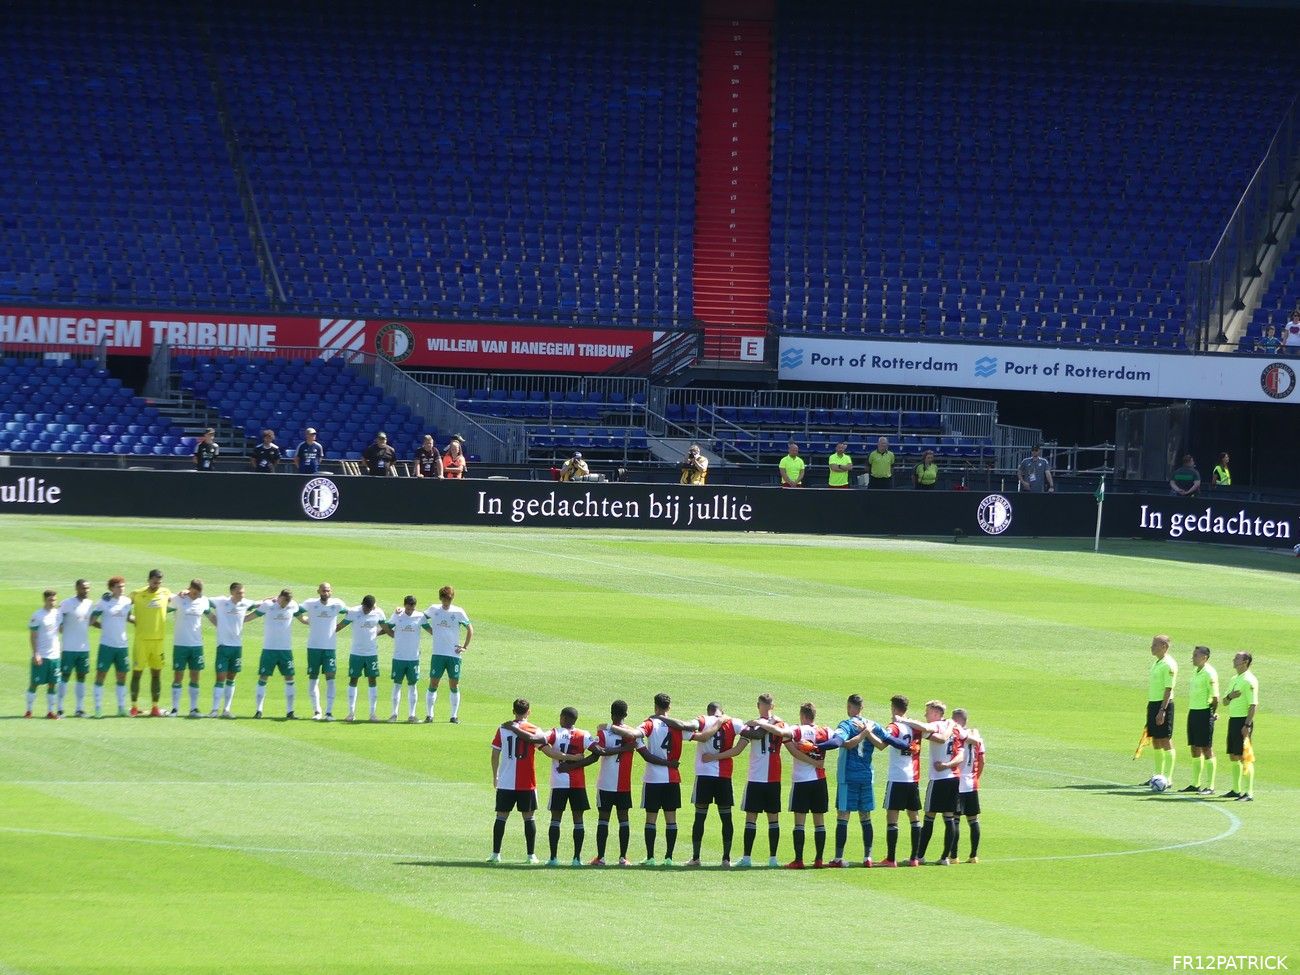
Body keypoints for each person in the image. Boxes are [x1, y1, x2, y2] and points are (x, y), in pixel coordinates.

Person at [816, 693, 906, 867]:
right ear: (862, 708)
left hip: (848, 776)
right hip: (866, 777)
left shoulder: (846, 724)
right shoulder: (872, 724)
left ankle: (838, 858)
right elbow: (888, 742)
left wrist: (817, 746)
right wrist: (907, 746)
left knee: (843, 816)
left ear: (850, 707)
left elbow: (840, 742)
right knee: (866, 817)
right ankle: (868, 858)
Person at [620, 692, 701, 867]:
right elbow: (699, 736)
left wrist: (616, 729)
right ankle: (669, 858)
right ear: (669, 707)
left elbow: (635, 734)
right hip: (672, 779)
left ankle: (650, 857)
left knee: (651, 818)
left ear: (655, 706)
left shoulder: (650, 723)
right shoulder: (677, 726)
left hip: (653, 779)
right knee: (671, 819)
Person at [512, 707, 599, 867]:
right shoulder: (584, 734)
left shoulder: (555, 733)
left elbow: (535, 739)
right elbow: (596, 754)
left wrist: (514, 728)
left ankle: (553, 858)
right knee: (578, 820)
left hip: (559, 783)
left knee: (555, 819)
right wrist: (575, 765)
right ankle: (576, 859)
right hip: (578, 784)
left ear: (563, 718)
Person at [897, 700, 964, 865]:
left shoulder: (937, 725)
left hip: (939, 778)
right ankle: (945, 858)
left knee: (929, 816)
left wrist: (904, 720)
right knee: (949, 817)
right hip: (954, 777)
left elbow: (926, 729)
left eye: (927, 711)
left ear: (935, 712)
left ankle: (919, 856)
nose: (925, 714)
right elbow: (962, 753)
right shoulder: (954, 727)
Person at [687, 702, 745, 866]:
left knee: (700, 816)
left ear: (708, 711)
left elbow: (689, 726)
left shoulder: (703, 720)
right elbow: (749, 733)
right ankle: (726, 859)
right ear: (722, 711)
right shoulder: (733, 722)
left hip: (704, 775)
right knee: (726, 817)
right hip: (724, 776)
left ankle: (696, 858)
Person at [588, 700, 643, 866]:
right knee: (623, 819)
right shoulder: (631, 733)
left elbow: (600, 751)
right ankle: (623, 858)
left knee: (603, 819)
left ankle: (600, 858)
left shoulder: (603, 732)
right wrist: (624, 749)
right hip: (623, 785)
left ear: (611, 714)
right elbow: (639, 744)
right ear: (626, 714)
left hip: (605, 783)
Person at [736, 692, 787, 867]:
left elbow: (741, 747)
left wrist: (755, 724)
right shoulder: (779, 722)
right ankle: (771, 859)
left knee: (752, 818)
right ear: (773, 706)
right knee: (772, 819)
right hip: (770, 777)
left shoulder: (755, 725)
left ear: (758, 706)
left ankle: (747, 858)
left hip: (758, 776)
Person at [489, 698, 542, 864]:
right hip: (527, 782)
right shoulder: (534, 729)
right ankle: (531, 855)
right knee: (529, 818)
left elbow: (495, 754)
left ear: (513, 711)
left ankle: (495, 854)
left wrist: (495, 776)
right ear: (529, 711)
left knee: (501, 817)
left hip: (505, 781)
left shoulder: (503, 728)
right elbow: (544, 746)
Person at [782, 703, 832, 868]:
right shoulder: (825, 731)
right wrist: (818, 753)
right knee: (819, 822)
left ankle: (799, 860)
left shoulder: (797, 730)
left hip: (801, 781)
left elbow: (790, 745)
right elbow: (838, 741)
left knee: (799, 823)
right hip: (820, 781)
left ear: (802, 715)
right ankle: (819, 860)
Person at [880, 694, 922, 868]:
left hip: (897, 777)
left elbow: (884, 742)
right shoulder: (915, 727)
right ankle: (914, 858)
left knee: (892, 817)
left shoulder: (894, 726)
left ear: (893, 708)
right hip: (912, 777)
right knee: (914, 817)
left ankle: (891, 859)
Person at [296, 582, 347, 721]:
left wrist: (373, 606)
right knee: (313, 678)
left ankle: (329, 712)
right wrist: (305, 620)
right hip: (313, 647)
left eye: (328, 590)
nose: (326, 593)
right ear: (318, 591)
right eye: (324, 590)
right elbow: (296, 611)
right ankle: (317, 710)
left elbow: (351, 613)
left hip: (329, 648)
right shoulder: (310, 603)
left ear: (331, 591)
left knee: (330, 678)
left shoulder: (337, 604)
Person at [423, 585, 472, 723]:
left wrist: (465, 647)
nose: (447, 602)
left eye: (449, 600)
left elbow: (470, 628)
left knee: (454, 685)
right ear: (440, 598)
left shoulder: (458, 611)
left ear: (452, 598)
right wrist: (432, 631)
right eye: (444, 600)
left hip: (453, 655)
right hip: (438, 653)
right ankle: (429, 715)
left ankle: (454, 716)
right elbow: (421, 619)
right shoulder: (434, 609)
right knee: (433, 683)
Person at [207, 582, 255, 718]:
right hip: (223, 646)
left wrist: (271, 599)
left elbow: (259, 604)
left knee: (231, 678)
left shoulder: (245, 603)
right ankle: (214, 710)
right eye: (239, 593)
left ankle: (226, 709)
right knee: (220, 678)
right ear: (232, 592)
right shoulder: (221, 601)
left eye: (243, 592)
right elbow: (203, 601)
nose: (242, 595)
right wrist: (211, 617)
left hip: (237, 647)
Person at [128, 569, 172, 716]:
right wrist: (132, 619)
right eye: (154, 582)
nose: (156, 585)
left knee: (156, 674)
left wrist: (185, 591)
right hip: (141, 641)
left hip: (158, 641)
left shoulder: (165, 593)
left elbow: (177, 599)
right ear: (148, 580)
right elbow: (122, 605)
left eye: (159, 583)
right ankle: (134, 707)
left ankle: (155, 707)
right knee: (137, 673)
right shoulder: (137, 594)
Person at [336, 594, 384, 723]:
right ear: (362, 604)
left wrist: (376, 633)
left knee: (372, 681)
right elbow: (340, 626)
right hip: (356, 653)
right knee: (353, 680)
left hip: (371, 653)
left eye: (369, 608)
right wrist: (327, 631)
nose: (367, 610)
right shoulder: (354, 612)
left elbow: (387, 628)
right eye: (365, 608)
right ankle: (351, 713)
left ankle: (373, 714)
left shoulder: (378, 612)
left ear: (373, 607)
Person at [252, 589, 300, 720]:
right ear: (279, 598)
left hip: (286, 650)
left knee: (289, 678)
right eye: (284, 601)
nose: (285, 604)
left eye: (288, 602)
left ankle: (290, 711)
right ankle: (258, 710)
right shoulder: (268, 605)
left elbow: (302, 618)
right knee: (263, 677)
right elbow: (252, 616)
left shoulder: (293, 605)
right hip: (269, 649)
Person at [90, 577, 133, 718]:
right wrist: (103, 627)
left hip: (122, 645)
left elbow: (129, 618)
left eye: (123, 586)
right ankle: (98, 709)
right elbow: (92, 620)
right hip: (107, 645)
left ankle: (121, 708)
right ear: (112, 588)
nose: (122, 589)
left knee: (122, 676)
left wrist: (141, 622)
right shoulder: (103, 602)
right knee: (101, 675)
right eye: (119, 586)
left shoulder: (127, 601)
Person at [167, 579, 210, 718]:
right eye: (195, 592)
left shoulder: (204, 601)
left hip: (197, 645)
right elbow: (164, 604)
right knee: (178, 676)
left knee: (195, 677)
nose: (197, 595)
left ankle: (193, 709)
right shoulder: (178, 599)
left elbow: (212, 615)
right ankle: (175, 709)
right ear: (190, 588)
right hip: (180, 644)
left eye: (199, 593)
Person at [1222, 652, 1259, 801]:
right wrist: (1230, 696)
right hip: (1233, 720)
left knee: (1245, 756)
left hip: (1243, 721)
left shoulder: (1249, 680)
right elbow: (1224, 702)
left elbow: (1253, 705)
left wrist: (1247, 724)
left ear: (1245, 661)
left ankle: (1249, 792)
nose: (1234, 659)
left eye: (1237, 658)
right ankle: (1236, 790)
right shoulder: (1234, 679)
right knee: (1234, 755)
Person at [1183, 646, 1220, 795]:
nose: (1192, 658)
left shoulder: (1209, 673)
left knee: (1206, 748)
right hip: (1193, 711)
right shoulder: (1196, 671)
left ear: (1204, 657)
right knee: (1194, 747)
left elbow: (1215, 698)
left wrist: (1212, 713)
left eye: (1195, 655)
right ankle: (1195, 784)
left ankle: (1210, 786)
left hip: (1204, 713)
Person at [950, 708, 985, 863]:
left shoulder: (956, 736)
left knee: (955, 819)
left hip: (957, 782)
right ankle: (973, 855)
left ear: (956, 720)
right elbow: (982, 760)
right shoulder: (977, 737)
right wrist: (976, 777)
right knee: (973, 820)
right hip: (972, 783)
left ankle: (954, 856)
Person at [384, 596, 426, 723]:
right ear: (404, 605)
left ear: (415, 606)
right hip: (399, 657)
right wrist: (394, 636)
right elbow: (387, 627)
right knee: (397, 685)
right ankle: (394, 714)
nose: (410, 610)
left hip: (413, 658)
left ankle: (412, 715)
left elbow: (430, 629)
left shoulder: (420, 616)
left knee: (412, 685)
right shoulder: (397, 615)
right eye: (408, 608)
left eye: (412, 608)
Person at [56, 579, 93, 717]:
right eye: (83, 588)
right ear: (77, 588)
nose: (86, 590)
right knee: (64, 676)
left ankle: (79, 708)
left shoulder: (90, 604)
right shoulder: (67, 603)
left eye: (88, 588)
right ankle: (60, 708)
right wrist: (60, 627)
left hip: (84, 647)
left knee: (81, 677)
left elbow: (91, 621)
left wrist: (104, 626)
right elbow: (57, 618)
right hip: (69, 647)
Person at [1146, 634, 1178, 787]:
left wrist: (1162, 710)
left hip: (1163, 705)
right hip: (1154, 703)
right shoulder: (1157, 662)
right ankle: (1158, 775)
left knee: (1165, 739)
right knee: (1156, 740)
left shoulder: (1168, 664)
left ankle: (1168, 778)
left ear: (1164, 647)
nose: (1151, 647)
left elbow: (1168, 688)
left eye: (1155, 645)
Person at [25, 589, 62, 719]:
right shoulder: (38, 615)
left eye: (54, 600)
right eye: (50, 600)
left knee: (53, 683)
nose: (53, 602)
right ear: (45, 600)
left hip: (55, 656)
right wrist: (36, 653)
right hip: (42, 655)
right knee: (34, 683)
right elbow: (33, 636)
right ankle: (29, 710)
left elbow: (60, 629)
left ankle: (50, 711)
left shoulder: (58, 614)